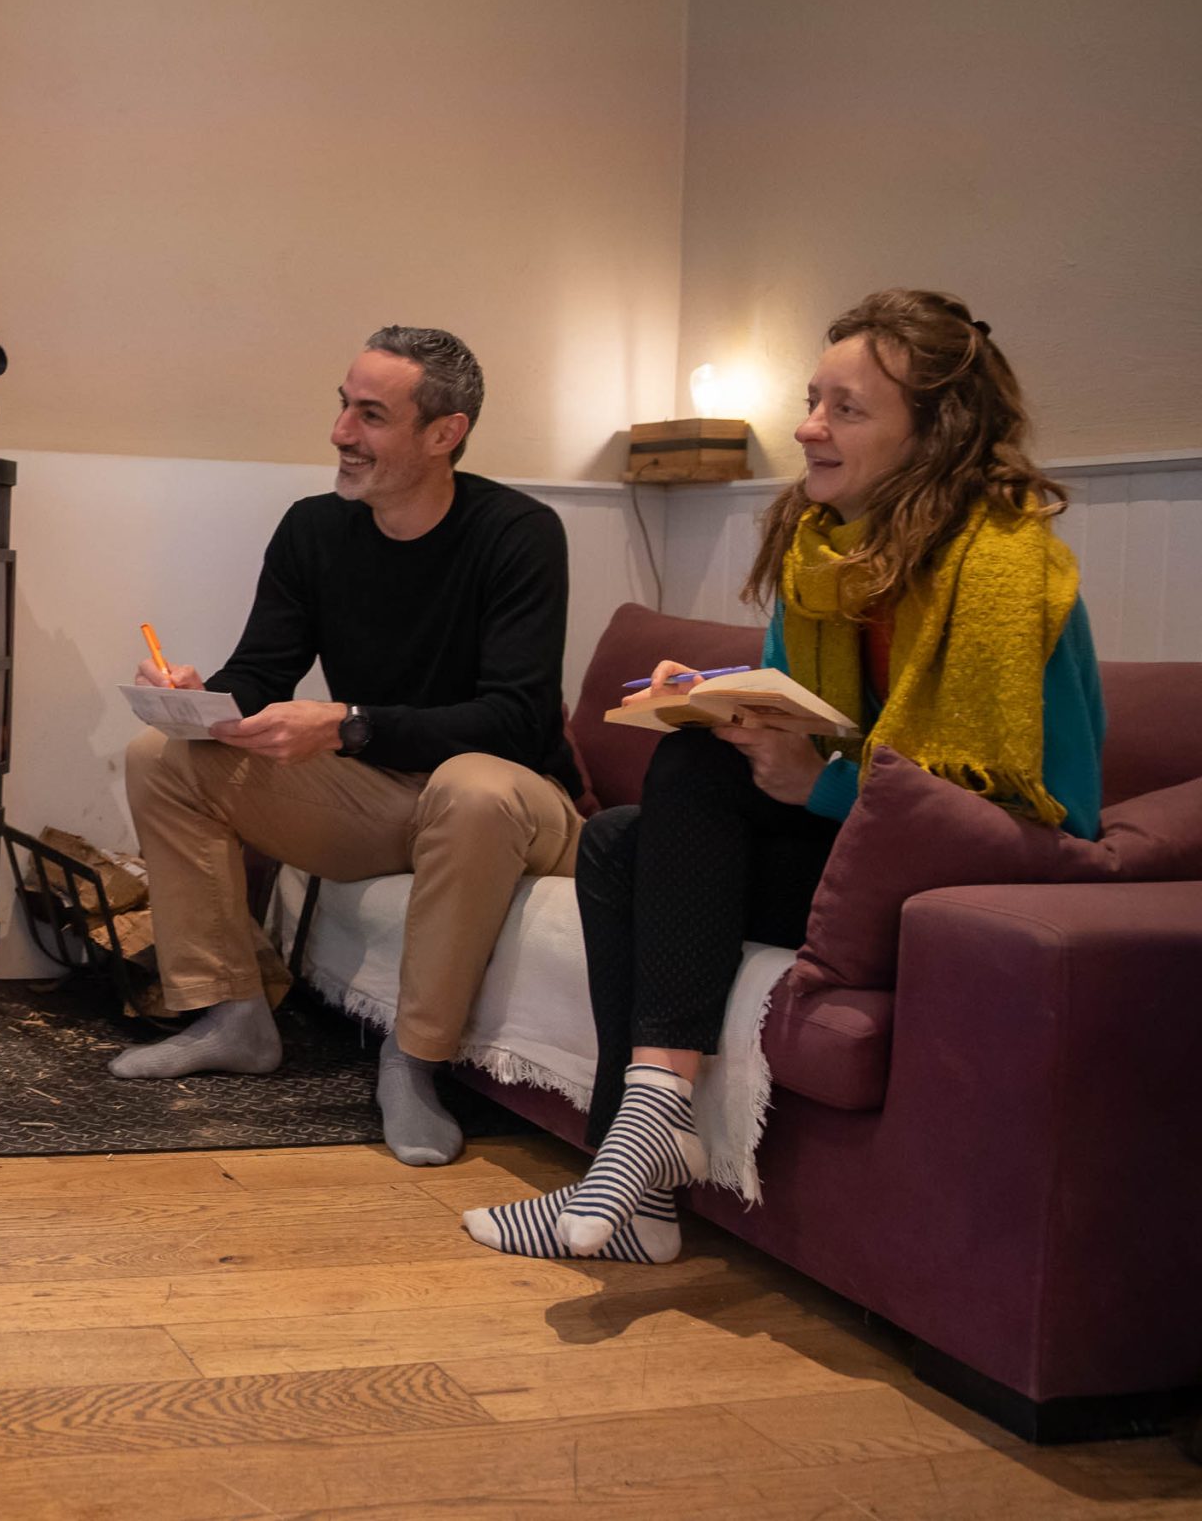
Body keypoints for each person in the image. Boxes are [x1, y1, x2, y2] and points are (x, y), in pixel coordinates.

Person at [465, 288, 1102, 1264]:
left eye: (845, 409)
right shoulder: (819, 560)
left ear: (936, 433)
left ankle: (634, 1144)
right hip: (858, 852)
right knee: (618, 837)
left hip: (973, 885)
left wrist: (821, 785)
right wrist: (719, 697)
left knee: (664, 801)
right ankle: (632, 1183)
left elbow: (1022, 812)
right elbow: (822, 723)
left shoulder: (1011, 574)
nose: (806, 427)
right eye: (812, 399)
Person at [120, 325, 582, 1167]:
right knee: (162, 758)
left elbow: (516, 719)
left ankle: (414, 1061)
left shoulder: (518, 533)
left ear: (446, 433)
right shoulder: (313, 531)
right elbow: (264, 669)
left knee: (472, 785)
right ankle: (232, 1014)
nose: (340, 432)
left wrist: (347, 722)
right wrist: (203, 700)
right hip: (379, 798)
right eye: (343, 405)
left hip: (512, 804)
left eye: (370, 415)